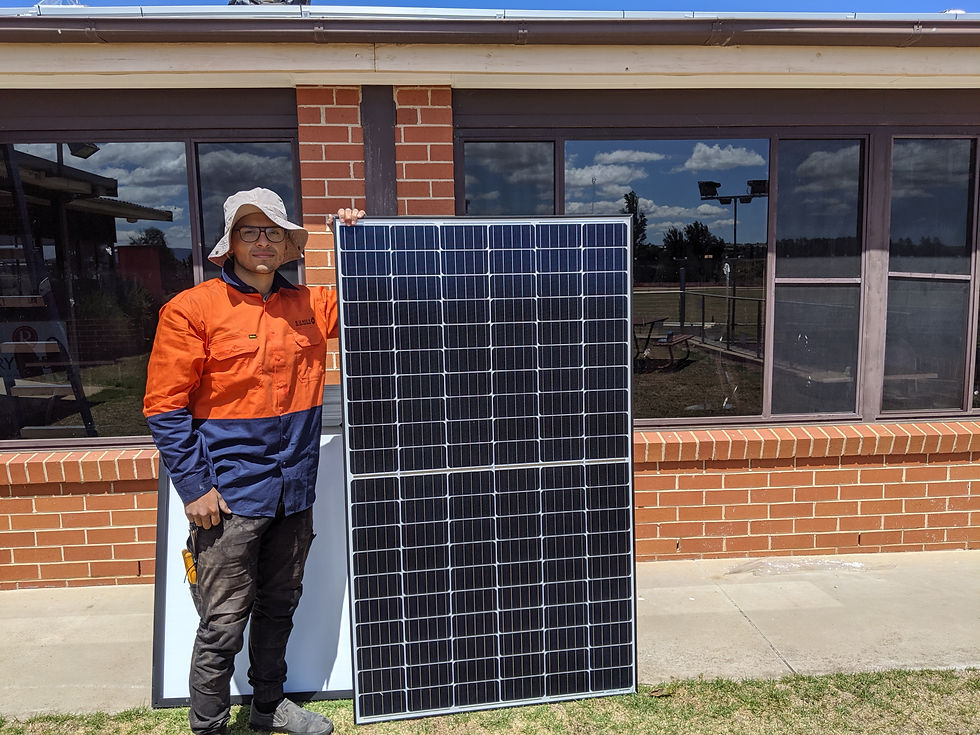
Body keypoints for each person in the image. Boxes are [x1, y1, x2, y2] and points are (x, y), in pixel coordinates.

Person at [143, 188, 363, 735]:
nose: (262, 241)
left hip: (294, 491)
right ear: (231, 243)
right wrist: (194, 487)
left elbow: (377, 294)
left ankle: (268, 708)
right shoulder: (192, 310)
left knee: (279, 607)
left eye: (273, 232)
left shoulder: (313, 305)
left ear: (287, 244)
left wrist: (357, 237)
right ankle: (209, 726)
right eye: (250, 231)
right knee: (222, 623)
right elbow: (164, 407)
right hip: (229, 496)